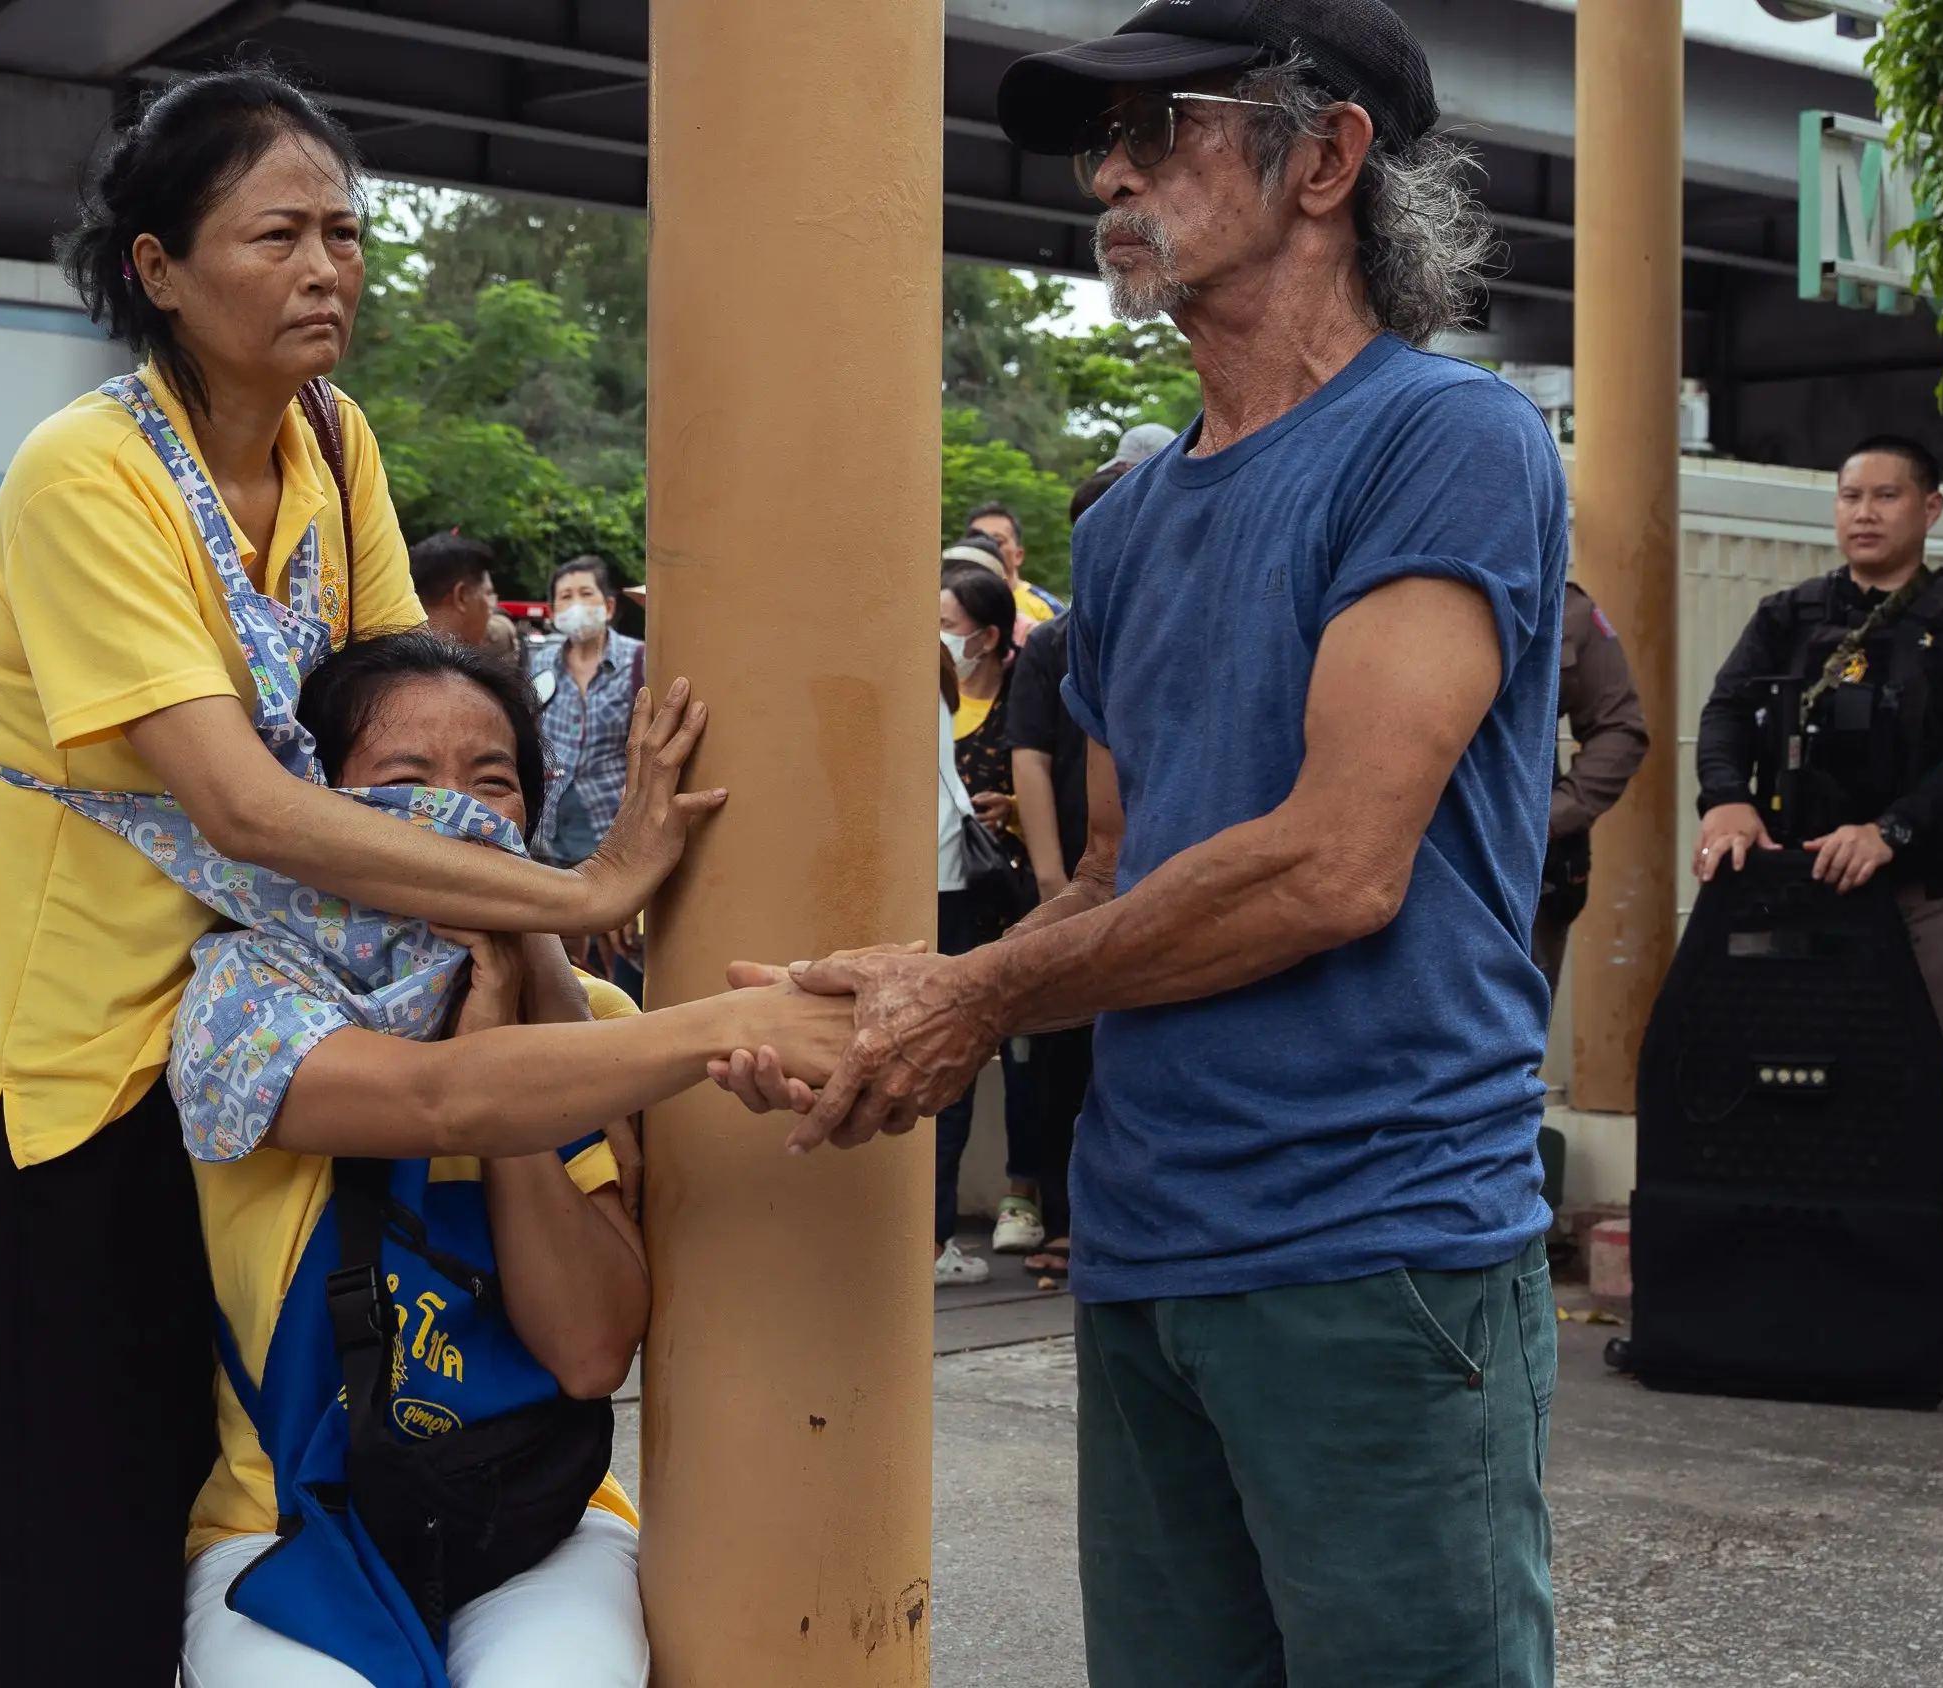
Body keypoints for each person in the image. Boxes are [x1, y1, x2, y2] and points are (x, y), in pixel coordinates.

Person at [721, 7, 1562, 1680]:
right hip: (1152, 1231)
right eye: (1093, 138)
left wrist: (970, 999)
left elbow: (1335, 861)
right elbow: (1114, 868)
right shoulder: (1134, 514)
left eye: (1162, 124)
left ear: (1328, 157)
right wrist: (944, 990)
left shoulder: (1442, 441)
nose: (1109, 169)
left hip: (1375, 1235)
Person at [0, 70, 720, 1688]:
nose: (328, 269)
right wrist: (576, 887)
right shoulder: (92, 474)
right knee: (73, 1590)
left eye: (346, 234)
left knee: (279, 1494)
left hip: (312, 1019)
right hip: (89, 1083)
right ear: (155, 267)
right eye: (277, 233)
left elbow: (374, 731)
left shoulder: (331, 439)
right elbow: (244, 799)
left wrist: (505, 926)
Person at [178, 632, 851, 1687]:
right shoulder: (245, 1002)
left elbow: (588, 1352)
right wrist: (702, 1012)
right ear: (314, 806)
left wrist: (523, 993)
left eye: (492, 782)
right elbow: (438, 1099)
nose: (459, 811)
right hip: (287, 1518)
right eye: (405, 781)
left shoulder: (599, 1028)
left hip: (531, 1514)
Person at [1693, 435, 1943, 1044]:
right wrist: (1725, 798)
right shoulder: (1788, 615)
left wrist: (1890, 832)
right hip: (1797, 883)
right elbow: (1727, 713)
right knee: (1784, 1073)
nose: (1865, 513)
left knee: (1895, 1082)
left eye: (1886, 496)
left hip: (1926, 891)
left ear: (1931, 509)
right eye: (1851, 497)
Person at [997, 469, 1140, 1282]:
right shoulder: (1056, 640)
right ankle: (1059, 1209)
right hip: (1078, 883)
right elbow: (1033, 762)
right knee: (1057, 1060)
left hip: (1158, 886)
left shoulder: (1169, 621)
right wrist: (1059, 885)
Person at [935, 563, 1042, 1278]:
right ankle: (931, 1229)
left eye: (948, 624)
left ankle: (986, 1209)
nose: (938, 637)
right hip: (940, 889)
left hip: (978, 896)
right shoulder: (929, 693)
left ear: (989, 634)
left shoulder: (1020, 695)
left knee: (961, 1058)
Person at [1532, 581, 1648, 990]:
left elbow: (1619, 729)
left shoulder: (1567, 607)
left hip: (1529, 874)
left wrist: (1548, 819)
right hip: (1402, 861)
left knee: (1506, 1043)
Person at [528, 555, 643, 869]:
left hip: (610, 826)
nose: (575, 604)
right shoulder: (540, 664)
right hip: (548, 826)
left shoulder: (640, 661)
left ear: (608, 607)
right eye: (565, 597)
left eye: (586, 593)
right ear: (553, 613)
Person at [959, 501, 1067, 630]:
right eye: (976, 540)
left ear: (1018, 555)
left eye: (997, 541)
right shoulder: (952, 604)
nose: (985, 547)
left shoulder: (1048, 610)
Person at [410, 528, 501, 650]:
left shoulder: (388, 657)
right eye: (487, 594)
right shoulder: (449, 666)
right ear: (462, 596)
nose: (491, 611)